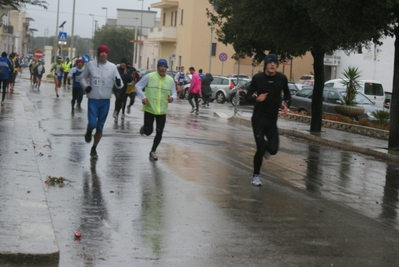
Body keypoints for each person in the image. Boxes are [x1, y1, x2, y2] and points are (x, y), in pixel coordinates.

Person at [245, 53, 291, 187]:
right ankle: (256, 176)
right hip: (258, 118)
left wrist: (286, 104)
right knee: (260, 148)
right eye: (270, 62)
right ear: (265, 64)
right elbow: (247, 96)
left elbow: (287, 94)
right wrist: (256, 99)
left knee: (273, 150)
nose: (272, 65)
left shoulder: (281, 78)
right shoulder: (258, 78)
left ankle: (265, 146)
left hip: (272, 119)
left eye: (275, 63)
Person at [79, 44, 123, 159]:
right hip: (93, 99)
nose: (103, 54)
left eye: (105, 52)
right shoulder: (90, 65)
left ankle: (94, 148)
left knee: (99, 128)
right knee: (93, 124)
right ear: (98, 53)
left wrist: (118, 84)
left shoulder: (113, 67)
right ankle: (89, 130)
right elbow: (81, 78)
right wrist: (85, 86)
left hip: (105, 101)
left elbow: (120, 83)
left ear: (107, 54)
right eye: (101, 52)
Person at [135, 59, 177, 161]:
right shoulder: (149, 77)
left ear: (167, 68)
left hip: (162, 110)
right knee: (149, 132)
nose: (163, 68)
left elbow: (174, 93)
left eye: (164, 66)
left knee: (159, 132)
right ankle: (145, 129)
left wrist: (172, 98)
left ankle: (153, 151)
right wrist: (143, 98)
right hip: (150, 108)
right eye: (160, 66)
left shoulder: (170, 80)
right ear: (157, 67)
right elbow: (138, 86)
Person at [113, 58, 135, 123]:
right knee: (118, 98)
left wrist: (126, 74)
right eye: (122, 63)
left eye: (124, 63)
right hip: (116, 88)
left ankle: (116, 115)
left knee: (121, 102)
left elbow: (130, 79)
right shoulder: (117, 69)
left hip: (123, 89)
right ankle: (116, 111)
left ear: (126, 64)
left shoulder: (128, 70)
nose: (123, 64)